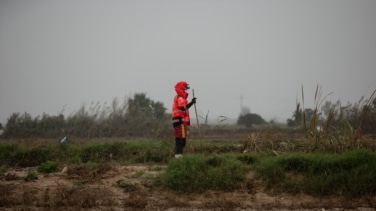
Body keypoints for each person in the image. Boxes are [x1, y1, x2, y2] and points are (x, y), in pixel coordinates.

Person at [171, 80, 197, 158]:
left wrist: (188, 124)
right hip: (179, 121)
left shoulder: (181, 98)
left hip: (180, 122)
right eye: (185, 89)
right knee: (180, 140)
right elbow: (183, 108)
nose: (186, 90)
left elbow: (185, 113)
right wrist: (192, 103)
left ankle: (179, 157)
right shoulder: (180, 98)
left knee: (181, 140)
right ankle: (178, 158)